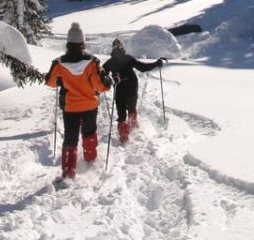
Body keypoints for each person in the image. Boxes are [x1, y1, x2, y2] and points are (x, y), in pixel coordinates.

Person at [45, 22, 111, 179]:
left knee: (70, 137)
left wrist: (61, 81)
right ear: (83, 43)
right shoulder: (92, 62)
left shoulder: (59, 63)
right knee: (89, 132)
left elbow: (50, 82)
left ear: (68, 44)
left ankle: (68, 171)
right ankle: (90, 156)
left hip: (70, 107)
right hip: (89, 105)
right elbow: (101, 86)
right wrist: (109, 82)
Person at [102, 38, 166, 143]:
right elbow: (143, 67)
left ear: (112, 49)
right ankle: (133, 128)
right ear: (122, 47)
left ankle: (124, 135)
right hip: (132, 87)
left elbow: (101, 74)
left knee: (121, 115)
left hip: (119, 90)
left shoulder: (110, 62)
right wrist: (156, 63)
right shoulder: (128, 58)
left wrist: (106, 81)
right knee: (132, 109)